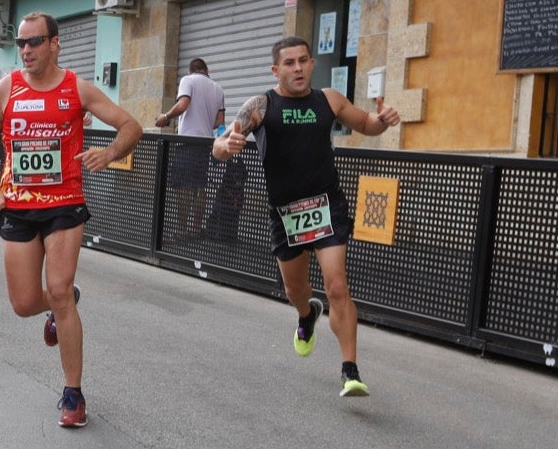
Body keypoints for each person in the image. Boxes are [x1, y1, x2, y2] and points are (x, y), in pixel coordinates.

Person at [0, 12, 141, 428]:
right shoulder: (6, 89)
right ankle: (53, 306)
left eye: (35, 42)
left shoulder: (76, 88)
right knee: (23, 303)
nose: (27, 50)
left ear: (54, 44)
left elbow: (130, 125)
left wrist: (109, 153)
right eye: (21, 44)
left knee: (60, 290)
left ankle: (73, 393)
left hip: (65, 204)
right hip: (17, 206)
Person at [214, 36, 398, 397]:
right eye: (289, 63)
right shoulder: (261, 106)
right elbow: (221, 144)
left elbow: (367, 124)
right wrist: (227, 146)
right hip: (286, 214)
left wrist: (383, 120)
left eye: (303, 61)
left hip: (327, 206)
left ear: (312, 63)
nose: (297, 68)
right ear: (275, 69)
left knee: (337, 286)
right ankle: (306, 315)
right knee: (296, 290)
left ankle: (350, 370)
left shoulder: (329, 99)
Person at [156, 58, 225, 238]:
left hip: (187, 144)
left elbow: (183, 105)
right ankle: (195, 228)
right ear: (206, 70)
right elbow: (219, 122)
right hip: (205, 145)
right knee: (199, 187)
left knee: (182, 188)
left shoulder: (188, 80)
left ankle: (181, 230)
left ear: (190, 70)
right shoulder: (218, 89)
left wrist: (166, 116)